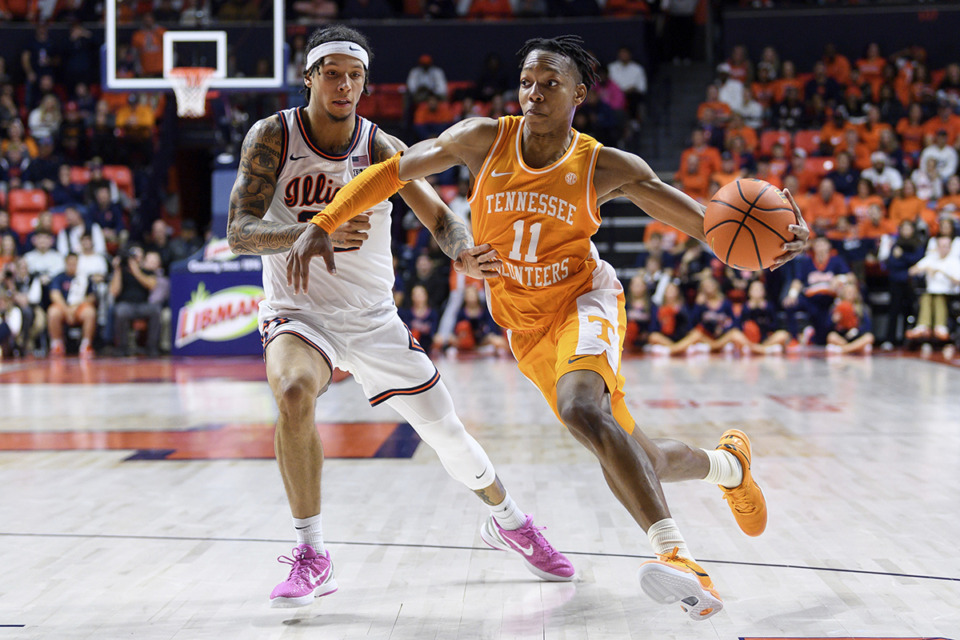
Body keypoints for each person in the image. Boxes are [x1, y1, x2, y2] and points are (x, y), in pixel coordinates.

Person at [288, 34, 811, 621]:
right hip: (524, 326)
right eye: (528, 82)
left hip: (583, 302)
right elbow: (391, 173)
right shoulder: (483, 139)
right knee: (637, 455)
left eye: (550, 84)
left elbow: (710, 229)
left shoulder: (606, 166)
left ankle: (679, 557)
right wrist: (325, 219)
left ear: (579, 94)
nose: (534, 94)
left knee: (583, 408)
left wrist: (775, 246)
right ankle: (728, 465)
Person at [225, 25, 574, 609]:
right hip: (297, 311)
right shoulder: (273, 137)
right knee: (291, 391)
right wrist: (310, 232)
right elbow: (239, 231)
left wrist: (462, 251)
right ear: (309, 76)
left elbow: (440, 217)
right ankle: (312, 553)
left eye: (355, 75)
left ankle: (510, 522)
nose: (344, 84)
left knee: (447, 434)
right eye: (332, 72)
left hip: (371, 318)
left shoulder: (379, 146)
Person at [47, 252, 97, 357]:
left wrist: (77, 306)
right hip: (64, 307)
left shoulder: (84, 277)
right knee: (53, 312)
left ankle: (86, 345)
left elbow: (91, 297)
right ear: (65, 263)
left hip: (79, 307)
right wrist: (67, 310)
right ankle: (57, 345)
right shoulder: (59, 277)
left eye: (74, 263)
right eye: (70, 263)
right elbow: (54, 295)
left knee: (90, 312)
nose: (72, 266)